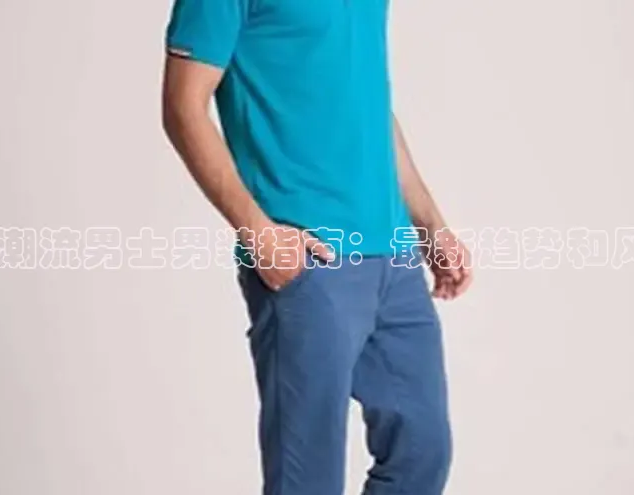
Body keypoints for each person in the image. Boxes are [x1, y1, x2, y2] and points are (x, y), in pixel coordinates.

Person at [161, 1, 473, 493]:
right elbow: (182, 107)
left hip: (392, 257)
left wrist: (430, 224)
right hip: (310, 259)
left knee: (422, 452)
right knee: (307, 480)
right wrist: (259, 234)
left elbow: (369, 105)